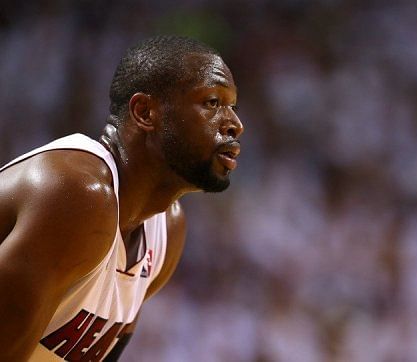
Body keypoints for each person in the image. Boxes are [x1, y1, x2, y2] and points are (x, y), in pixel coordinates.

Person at [0, 35, 244, 361]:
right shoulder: (77, 194)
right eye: (212, 103)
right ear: (145, 112)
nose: (235, 125)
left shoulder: (166, 231)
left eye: (233, 107)